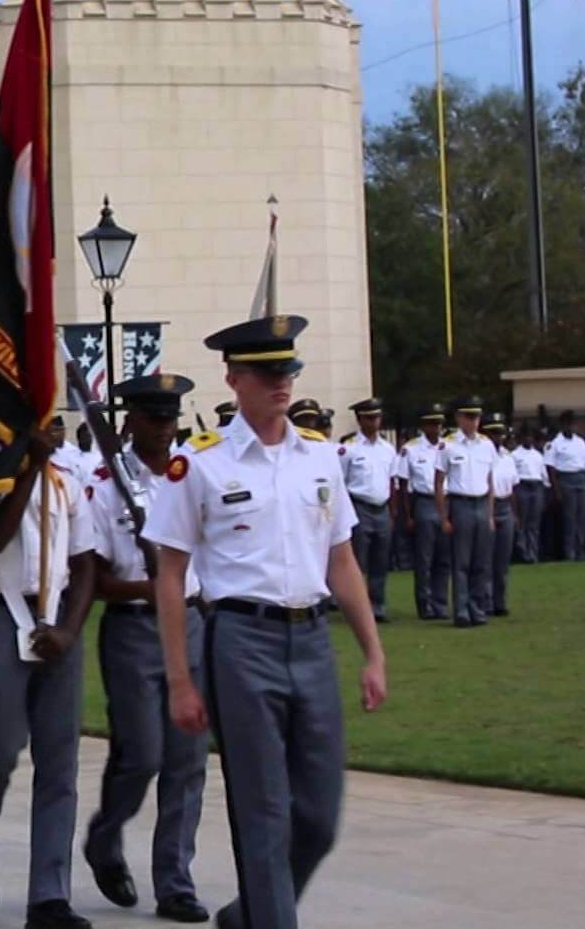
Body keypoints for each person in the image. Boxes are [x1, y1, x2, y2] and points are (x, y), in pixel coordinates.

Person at [142, 316, 387, 929]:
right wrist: (180, 679)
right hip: (239, 639)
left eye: (289, 371)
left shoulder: (321, 458)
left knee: (318, 818)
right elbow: (170, 574)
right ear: (234, 379)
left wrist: (373, 653)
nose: (282, 383)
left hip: (311, 637)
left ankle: (250, 913)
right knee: (264, 812)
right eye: (268, 372)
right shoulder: (198, 464)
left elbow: (341, 560)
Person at [0, 412, 102, 929]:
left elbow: (85, 564)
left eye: (48, 424)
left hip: (56, 619)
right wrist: (28, 469)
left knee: (59, 761)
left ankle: (49, 894)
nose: (45, 432)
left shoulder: (69, 482)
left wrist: (70, 631)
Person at [82, 375, 212, 925]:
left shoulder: (195, 476)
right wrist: (149, 585)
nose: (163, 427)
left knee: (187, 763)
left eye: (170, 417)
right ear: (128, 421)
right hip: (133, 629)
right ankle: (105, 838)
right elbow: (97, 579)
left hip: (194, 625)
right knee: (142, 755)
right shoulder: (105, 484)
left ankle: (175, 882)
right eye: (152, 417)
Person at [434, 397, 495, 628]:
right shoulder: (448, 445)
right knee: (461, 562)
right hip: (460, 504)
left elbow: (490, 482)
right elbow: (439, 482)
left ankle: (477, 608)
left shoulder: (486, 444)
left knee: (480, 561)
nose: (474, 421)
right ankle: (461, 610)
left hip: (480, 503)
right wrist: (444, 517)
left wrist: (490, 514)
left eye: (477, 416)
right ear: (459, 418)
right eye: (469, 416)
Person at [340, 398, 398, 622]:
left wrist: (392, 512)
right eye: (369, 417)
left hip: (381, 507)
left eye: (377, 417)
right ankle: (356, 607)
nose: (374, 422)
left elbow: (392, 482)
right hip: (359, 506)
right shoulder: (349, 448)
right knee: (357, 562)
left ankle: (378, 605)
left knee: (380, 561)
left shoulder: (388, 449)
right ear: (359, 419)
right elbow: (340, 483)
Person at [397, 404, 449, 620]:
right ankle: (424, 603)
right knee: (425, 558)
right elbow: (403, 484)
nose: (435, 428)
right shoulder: (411, 449)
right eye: (431, 423)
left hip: (446, 501)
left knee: (443, 557)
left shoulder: (449, 446)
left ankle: (441, 603)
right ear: (423, 426)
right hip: (425, 501)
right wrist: (408, 515)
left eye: (438, 423)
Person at [544, 410, 585, 561]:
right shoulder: (555, 444)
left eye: (573, 424)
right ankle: (569, 551)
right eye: (568, 424)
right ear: (562, 425)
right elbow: (551, 468)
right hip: (565, 479)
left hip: (581, 478)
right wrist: (557, 489)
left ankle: (581, 549)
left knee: (583, 517)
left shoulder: (580, 442)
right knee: (570, 518)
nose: (571, 427)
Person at [484, 415, 519, 617]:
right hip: (488, 504)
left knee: (502, 559)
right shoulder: (482, 454)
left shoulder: (507, 456)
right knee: (486, 557)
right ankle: (486, 600)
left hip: (505, 505)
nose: (497, 437)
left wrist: (515, 513)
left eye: (499, 433)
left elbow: (513, 487)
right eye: (493, 433)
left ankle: (500, 601)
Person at [509, 426, 549, 563]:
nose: (528, 439)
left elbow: (543, 475)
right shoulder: (515, 455)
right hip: (522, 485)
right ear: (521, 438)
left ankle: (533, 553)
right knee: (523, 522)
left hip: (536, 486)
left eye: (530, 436)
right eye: (525, 436)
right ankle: (523, 552)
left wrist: (545, 488)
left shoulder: (537, 455)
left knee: (534, 523)